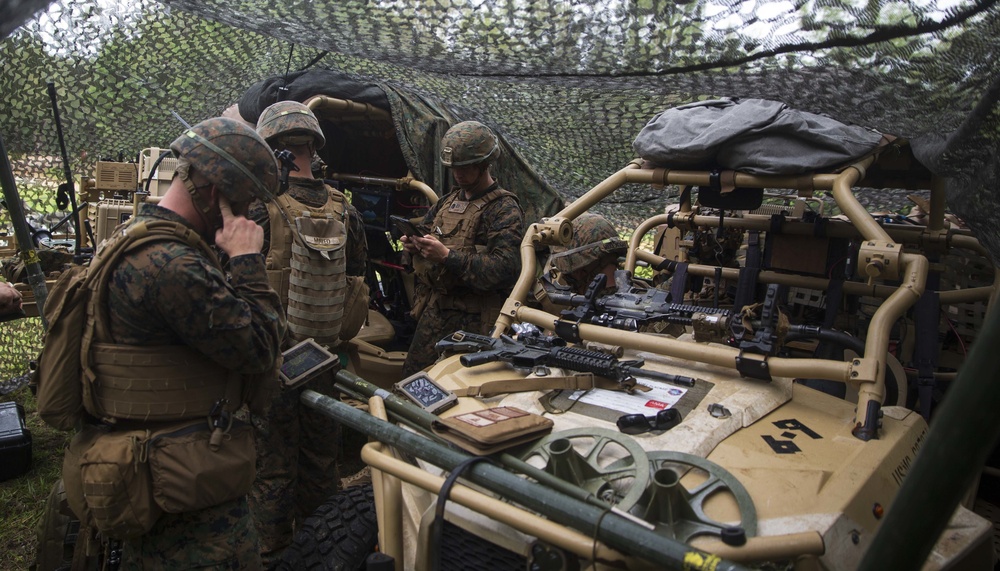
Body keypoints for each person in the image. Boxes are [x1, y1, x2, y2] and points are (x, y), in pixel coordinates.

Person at [96, 117, 285, 569]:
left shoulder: (133, 236)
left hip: (146, 457)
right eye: (246, 202)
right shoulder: (173, 266)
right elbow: (259, 348)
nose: (248, 214)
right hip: (179, 478)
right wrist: (246, 259)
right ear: (218, 193)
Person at [249, 100, 370, 566]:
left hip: (274, 355)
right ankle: (324, 546)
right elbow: (357, 270)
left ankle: (273, 552)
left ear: (272, 148)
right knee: (321, 458)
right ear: (312, 147)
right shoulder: (344, 208)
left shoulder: (260, 207)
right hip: (325, 352)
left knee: (272, 463)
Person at [400, 120, 524, 376]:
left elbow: (506, 269)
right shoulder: (447, 201)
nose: (458, 174)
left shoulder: (504, 208)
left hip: (475, 324)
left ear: (485, 164)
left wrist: (447, 257)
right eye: (454, 168)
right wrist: (413, 246)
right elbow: (426, 233)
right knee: (412, 384)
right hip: (435, 313)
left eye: (465, 167)